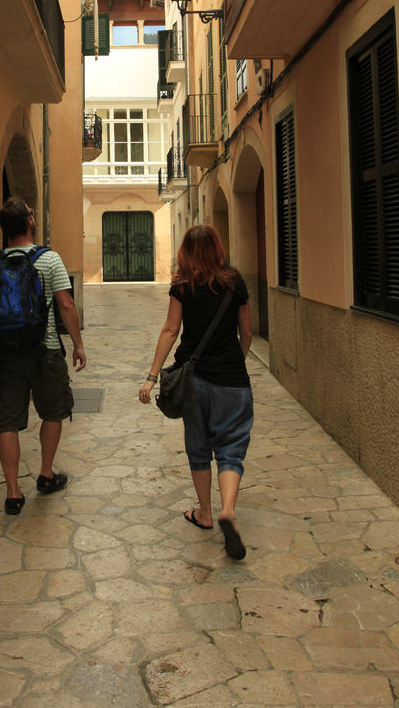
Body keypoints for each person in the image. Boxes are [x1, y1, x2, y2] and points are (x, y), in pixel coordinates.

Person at [138, 225, 253, 559]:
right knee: (231, 449)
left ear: (185, 251)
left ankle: (205, 513)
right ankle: (227, 511)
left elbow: (171, 330)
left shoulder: (182, 285)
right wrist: (237, 362)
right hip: (232, 379)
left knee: (199, 448)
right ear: (217, 247)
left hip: (196, 379)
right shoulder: (235, 281)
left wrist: (151, 377)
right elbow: (246, 333)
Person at [0, 197, 86, 515]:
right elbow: (66, 305)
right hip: (45, 350)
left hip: (8, 354)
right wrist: (78, 344)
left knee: (7, 423)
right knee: (53, 412)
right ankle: (46, 474)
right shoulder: (49, 260)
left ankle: (13, 493)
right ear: (29, 222)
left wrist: (2, 334)